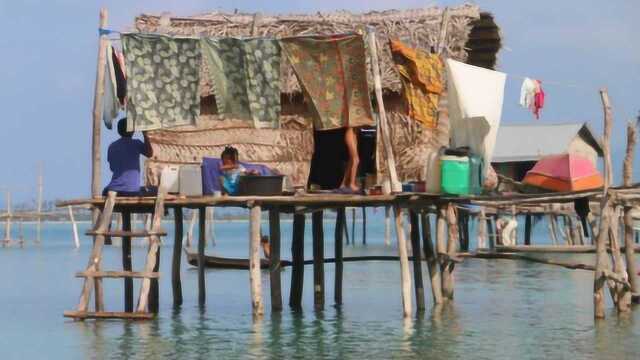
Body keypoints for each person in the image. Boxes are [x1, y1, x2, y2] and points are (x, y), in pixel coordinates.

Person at [102, 118, 155, 197]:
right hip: (132, 191)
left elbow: (112, 168)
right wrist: (145, 134)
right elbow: (149, 153)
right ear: (132, 130)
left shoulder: (112, 146)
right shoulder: (136, 143)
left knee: (105, 191)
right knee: (155, 190)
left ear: (118, 131)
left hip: (113, 189)